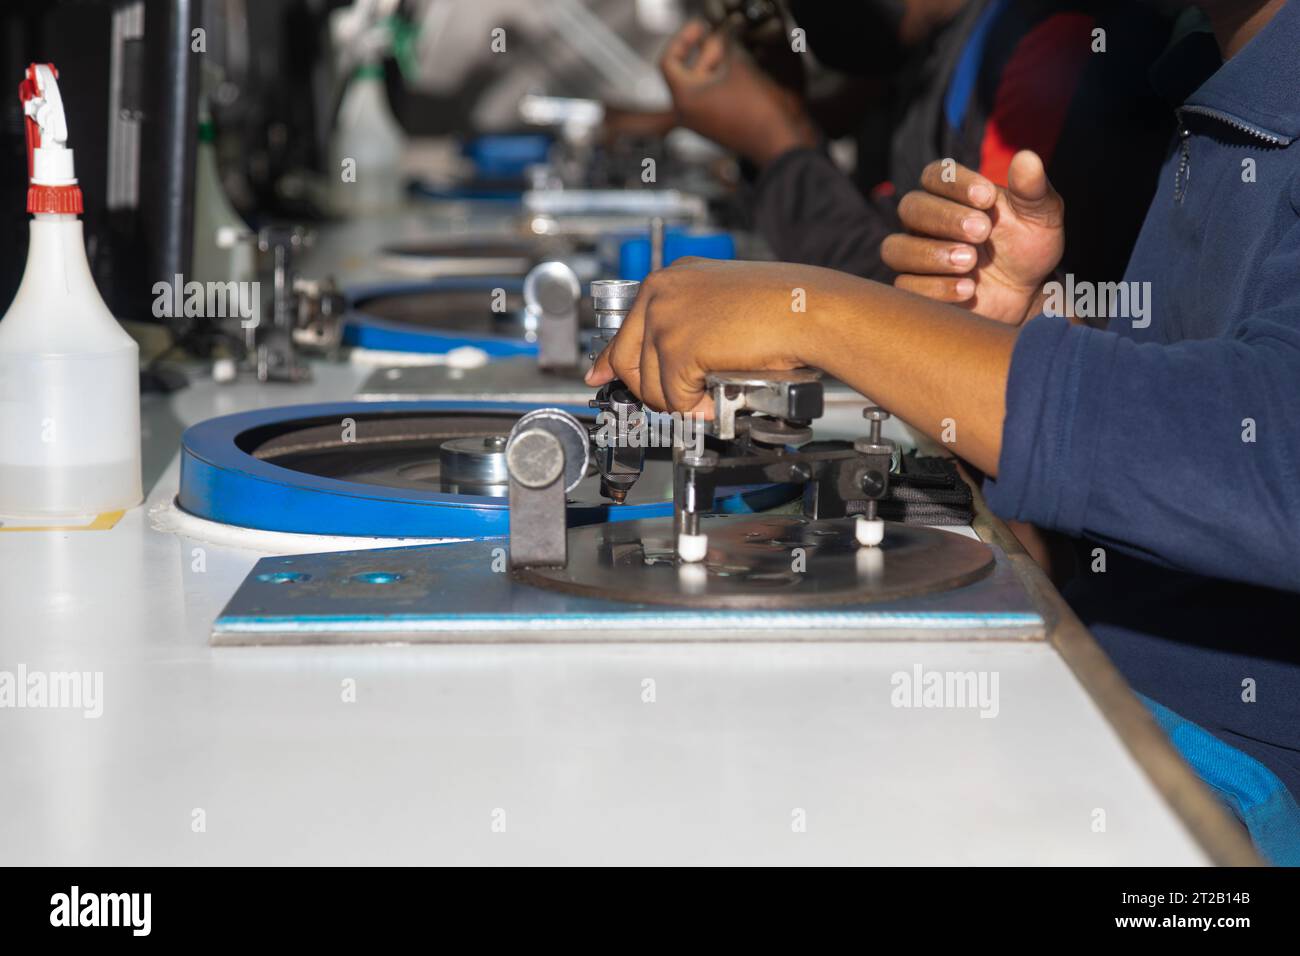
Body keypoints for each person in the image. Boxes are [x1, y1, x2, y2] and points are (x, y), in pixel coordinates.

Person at [589, 0, 1300, 864]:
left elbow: (1270, 459)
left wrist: (818, 310)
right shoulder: (1211, 76)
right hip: (1102, 706)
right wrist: (1017, 336)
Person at [655, 1, 1173, 292]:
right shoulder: (941, 47)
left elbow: (953, 310)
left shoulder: (1050, 44)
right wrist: (790, 120)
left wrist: (780, 148)